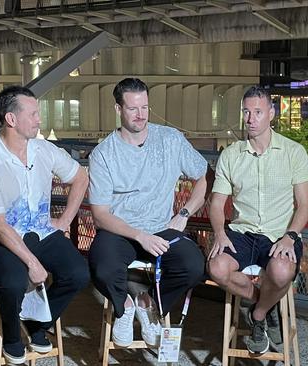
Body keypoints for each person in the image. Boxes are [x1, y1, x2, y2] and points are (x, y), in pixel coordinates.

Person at [0, 86, 90, 365]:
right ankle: (12, 337)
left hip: (42, 231)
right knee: (12, 281)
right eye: (33, 114)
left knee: (78, 273)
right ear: (11, 119)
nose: (39, 120)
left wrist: (64, 221)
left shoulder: (44, 149)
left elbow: (81, 177)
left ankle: (37, 326)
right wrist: (33, 263)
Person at [88, 77, 212, 347]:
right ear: (118, 109)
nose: (140, 115)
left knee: (193, 265)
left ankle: (149, 304)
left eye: (144, 107)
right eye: (133, 108)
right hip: (120, 229)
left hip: (161, 226)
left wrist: (184, 213)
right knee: (102, 266)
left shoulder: (170, 139)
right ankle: (124, 307)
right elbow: (100, 214)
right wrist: (139, 236)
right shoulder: (103, 154)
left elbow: (204, 176)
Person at [207, 86, 308, 354]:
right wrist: (220, 233)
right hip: (241, 232)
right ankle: (267, 302)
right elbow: (217, 203)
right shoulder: (231, 155)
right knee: (216, 268)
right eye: (246, 112)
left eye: (257, 112)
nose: (251, 119)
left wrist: (290, 236)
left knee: (281, 271)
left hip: (279, 233)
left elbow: (305, 206)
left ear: (271, 114)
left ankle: (257, 314)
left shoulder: (293, 152)